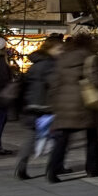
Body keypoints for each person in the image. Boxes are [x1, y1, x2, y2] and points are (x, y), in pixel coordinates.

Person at [47, 31, 98, 182]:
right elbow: (95, 81)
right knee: (92, 137)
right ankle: (93, 169)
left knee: (62, 139)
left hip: (63, 102)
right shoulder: (89, 57)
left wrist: (55, 100)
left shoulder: (62, 58)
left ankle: (52, 170)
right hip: (84, 103)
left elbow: (54, 82)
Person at [15, 39, 61, 180]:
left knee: (31, 138)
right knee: (56, 138)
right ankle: (52, 170)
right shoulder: (50, 65)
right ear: (50, 49)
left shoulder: (35, 65)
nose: (61, 52)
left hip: (31, 104)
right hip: (45, 105)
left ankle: (21, 168)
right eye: (58, 49)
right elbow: (54, 85)